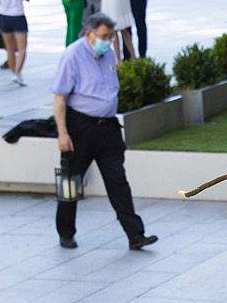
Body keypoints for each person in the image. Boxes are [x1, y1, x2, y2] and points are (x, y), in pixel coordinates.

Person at [52, 14, 155, 251]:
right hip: (80, 126)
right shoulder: (72, 55)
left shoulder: (108, 52)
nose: (108, 41)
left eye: (110, 36)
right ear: (89, 34)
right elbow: (59, 98)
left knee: (118, 181)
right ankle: (66, 232)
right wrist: (62, 134)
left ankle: (135, 234)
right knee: (70, 182)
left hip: (107, 127)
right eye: (103, 36)